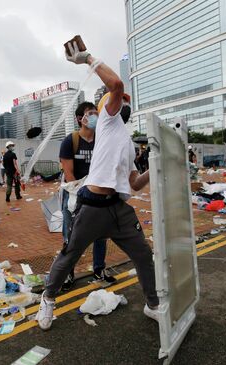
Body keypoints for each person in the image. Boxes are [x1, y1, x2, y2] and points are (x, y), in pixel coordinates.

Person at [36, 39, 158, 330]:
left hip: (118, 208)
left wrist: (155, 165)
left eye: (124, 100)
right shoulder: (107, 121)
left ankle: (153, 304)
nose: (121, 100)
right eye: (117, 99)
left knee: (143, 254)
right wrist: (87, 58)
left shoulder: (126, 142)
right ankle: (48, 299)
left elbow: (135, 184)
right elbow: (115, 85)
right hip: (92, 207)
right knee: (70, 255)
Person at [58, 101, 114, 290]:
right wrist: (81, 197)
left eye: (95, 113)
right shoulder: (70, 141)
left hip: (97, 192)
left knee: (100, 234)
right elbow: (69, 173)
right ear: (80, 119)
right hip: (74, 194)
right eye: (90, 113)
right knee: (71, 234)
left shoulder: (102, 139)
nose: (94, 116)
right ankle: (67, 273)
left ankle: (99, 269)